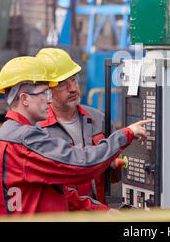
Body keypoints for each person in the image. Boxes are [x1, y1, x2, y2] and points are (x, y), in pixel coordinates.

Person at [0, 56, 150, 216]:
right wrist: (125, 134)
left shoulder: (1, 140)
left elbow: (60, 193)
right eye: (45, 94)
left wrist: (101, 212)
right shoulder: (25, 140)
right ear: (24, 99)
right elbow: (82, 165)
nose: (49, 101)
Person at [35, 48, 127, 210]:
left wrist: (116, 165)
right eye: (62, 84)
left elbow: (114, 175)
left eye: (74, 79)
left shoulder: (99, 119)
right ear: (45, 91)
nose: (72, 88)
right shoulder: (38, 131)